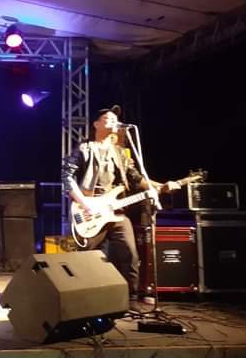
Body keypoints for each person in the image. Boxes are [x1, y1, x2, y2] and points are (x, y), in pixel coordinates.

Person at [61, 105, 179, 299]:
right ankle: (85, 298)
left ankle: (129, 298)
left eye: (115, 119)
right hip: (90, 209)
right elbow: (66, 176)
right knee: (89, 257)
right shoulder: (84, 148)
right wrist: (85, 203)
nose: (114, 121)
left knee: (130, 254)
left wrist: (162, 186)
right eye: (108, 118)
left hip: (116, 211)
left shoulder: (120, 153)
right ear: (96, 124)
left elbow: (136, 179)